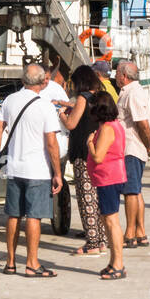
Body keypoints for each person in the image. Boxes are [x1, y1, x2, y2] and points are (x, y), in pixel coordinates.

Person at [0, 63, 62, 278]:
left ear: (23, 80)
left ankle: (10, 262)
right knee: (33, 216)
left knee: (13, 215)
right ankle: (32, 263)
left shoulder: (10, 100)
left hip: (14, 167)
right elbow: (51, 143)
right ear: (44, 81)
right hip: (37, 169)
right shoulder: (45, 106)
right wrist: (57, 173)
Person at [59, 65, 107, 255]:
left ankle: (92, 244)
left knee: (86, 199)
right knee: (98, 199)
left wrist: (61, 114)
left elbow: (71, 124)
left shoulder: (83, 97)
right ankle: (102, 240)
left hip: (83, 153)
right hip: (99, 152)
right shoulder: (100, 97)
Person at [114, 59, 150, 248]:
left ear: (124, 76)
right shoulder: (132, 91)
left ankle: (130, 233)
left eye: (117, 72)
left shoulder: (132, 93)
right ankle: (140, 232)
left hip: (131, 147)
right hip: (134, 147)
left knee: (131, 192)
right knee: (136, 191)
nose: (115, 75)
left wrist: (149, 146)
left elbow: (142, 123)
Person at [86, 90, 127, 279]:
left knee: (111, 222)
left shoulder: (108, 128)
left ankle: (118, 263)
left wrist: (89, 144)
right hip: (110, 176)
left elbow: (98, 156)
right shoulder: (114, 125)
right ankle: (113, 262)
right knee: (108, 220)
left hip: (109, 177)